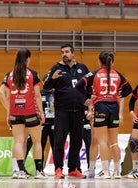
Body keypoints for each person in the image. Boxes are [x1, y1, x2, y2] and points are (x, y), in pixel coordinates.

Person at [75, 50, 132, 179]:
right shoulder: (118, 74)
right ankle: (117, 172)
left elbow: (78, 85)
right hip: (114, 106)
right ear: (112, 61)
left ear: (99, 61)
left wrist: (89, 96)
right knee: (114, 142)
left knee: (101, 141)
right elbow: (129, 89)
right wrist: (120, 95)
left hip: (101, 106)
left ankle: (105, 171)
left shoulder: (94, 74)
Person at [43, 43, 89, 179]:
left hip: (79, 110)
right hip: (62, 111)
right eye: (62, 52)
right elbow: (46, 88)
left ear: (73, 53)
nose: (64, 54)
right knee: (59, 141)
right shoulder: (56, 68)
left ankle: (73, 169)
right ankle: (58, 168)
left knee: (76, 141)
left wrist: (89, 99)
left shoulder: (82, 68)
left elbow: (89, 85)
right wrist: (52, 79)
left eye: (67, 51)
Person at [0, 48, 46, 179]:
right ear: (27, 59)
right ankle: (39, 171)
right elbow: (37, 95)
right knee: (37, 142)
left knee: (18, 142)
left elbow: (6, 96)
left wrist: (8, 113)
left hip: (15, 113)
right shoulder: (33, 74)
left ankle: (20, 171)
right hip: (30, 112)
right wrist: (41, 112)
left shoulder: (9, 75)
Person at [40, 74, 55, 169]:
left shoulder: (57, 93)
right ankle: (40, 168)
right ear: (43, 82)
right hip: (43, 124)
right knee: (40, 146)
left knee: (56, 147)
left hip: (55, 123)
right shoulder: (39, 93)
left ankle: (58, 168)